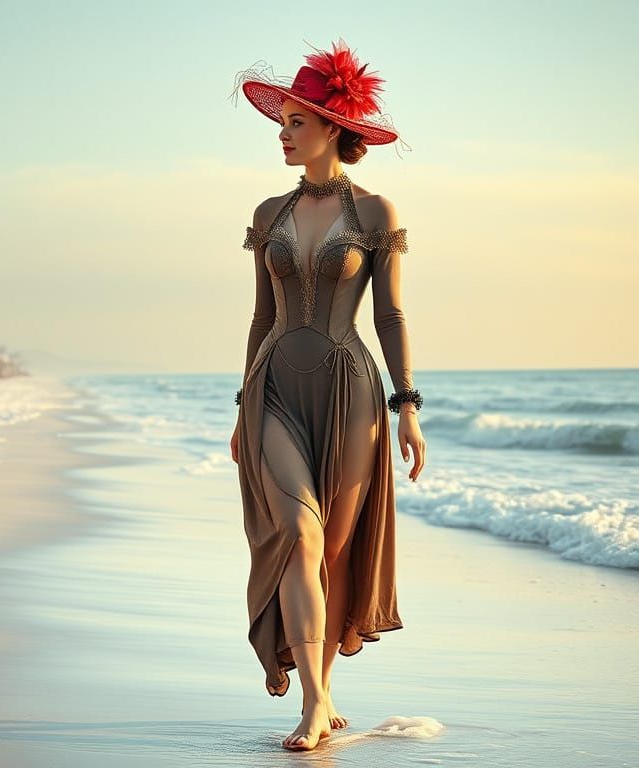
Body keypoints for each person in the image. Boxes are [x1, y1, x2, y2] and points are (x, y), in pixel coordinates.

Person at [227, 39, 427, 752]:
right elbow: (259, 318)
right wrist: (239, 413)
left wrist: (408, 409)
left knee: (333, 551)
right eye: (280, 123)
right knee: (298, 533)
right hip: (273, 388)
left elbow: (391, 316)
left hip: (352, 395)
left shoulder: (375, 212)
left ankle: (326, 690)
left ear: (332, 129)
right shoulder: (269, 211)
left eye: (294, 123)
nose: (282, 135)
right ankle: (313, 703)